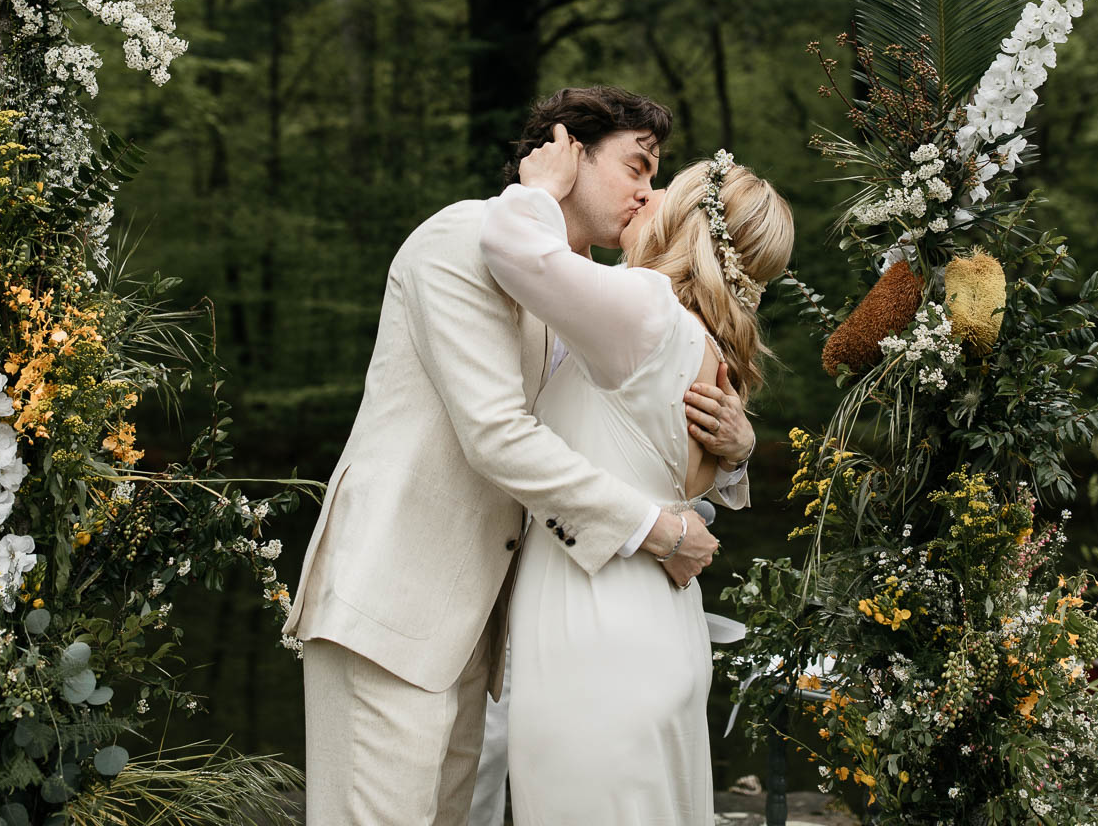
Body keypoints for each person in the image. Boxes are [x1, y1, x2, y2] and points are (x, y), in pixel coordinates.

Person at [283, 87, 726, 826]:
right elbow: (496, 434)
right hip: (392, 600)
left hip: (480, 632)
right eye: (637, 167)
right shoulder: (460, 239)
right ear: (566, 152)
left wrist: (734, 450)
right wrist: (654, 529)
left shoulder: (585, 295)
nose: (649, 193)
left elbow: (637, 429)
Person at [481, 128, 794, 825]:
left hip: (596, 629)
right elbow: (675, 473)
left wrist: (539, 189)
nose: (643, 196)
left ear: (686, 223)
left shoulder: (644, 308)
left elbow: (510, 250)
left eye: (662, 191)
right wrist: (739, 454)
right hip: (662, 624)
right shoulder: (707, 342)